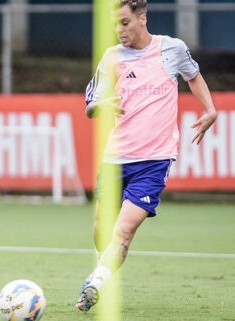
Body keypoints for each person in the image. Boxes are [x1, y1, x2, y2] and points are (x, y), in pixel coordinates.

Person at [76, 0, 217, 313]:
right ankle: (104, 269)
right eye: (115, 24)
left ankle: (95, 284)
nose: (119, 30)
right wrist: (101, 107)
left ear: (142, 19)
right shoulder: (111, 57)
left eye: (125, 22)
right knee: (101, 229)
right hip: (115, 158)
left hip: (154, 161)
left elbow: (193, 75)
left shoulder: (172, 49)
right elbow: (90, 104)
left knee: (123, 231)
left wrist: (210, 109)